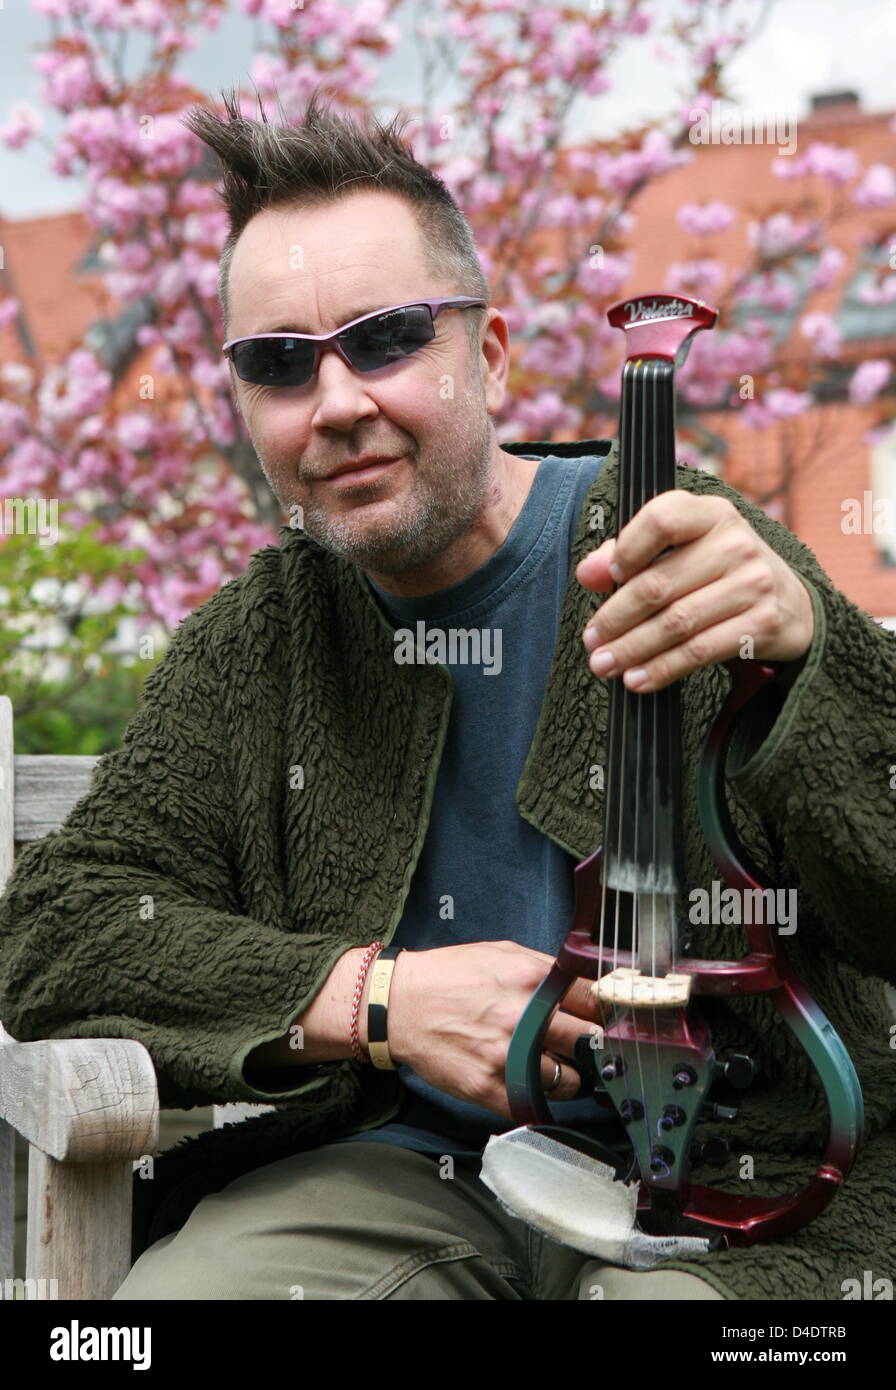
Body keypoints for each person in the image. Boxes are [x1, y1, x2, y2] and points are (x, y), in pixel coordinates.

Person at [0, 89, 894, 1302]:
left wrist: (811, 663)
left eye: (384, 338)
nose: (337, 404)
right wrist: (375, 1000)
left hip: (749, 1199)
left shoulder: (690, 556)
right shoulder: (262, 637)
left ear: (489, 352)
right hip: (395, 1176)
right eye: (278, 363)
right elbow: (58, 930)